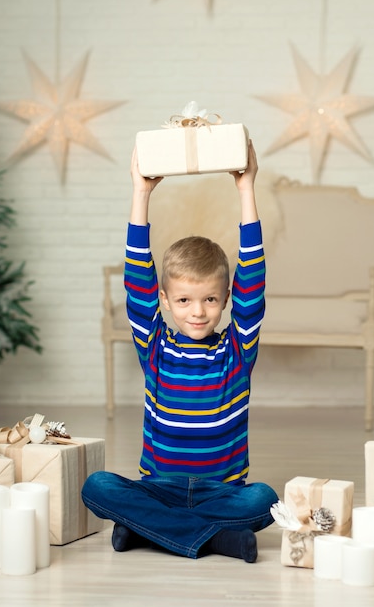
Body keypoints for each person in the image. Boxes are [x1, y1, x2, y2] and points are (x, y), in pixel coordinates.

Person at [82, 140, 278, 563]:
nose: (198, 311)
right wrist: (142, 193)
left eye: (210, 299)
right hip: (159, 486)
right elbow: (136, 280)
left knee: (263, 499)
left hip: (224, 491)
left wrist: (246, 190)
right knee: (96, 485)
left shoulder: (238, 351)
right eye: (185, 300)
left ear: (226, 299)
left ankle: (148, 529)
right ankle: (217, 538)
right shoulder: (154, 348)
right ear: (166, 302)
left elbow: (254, 280)